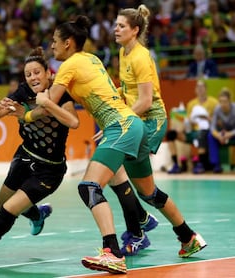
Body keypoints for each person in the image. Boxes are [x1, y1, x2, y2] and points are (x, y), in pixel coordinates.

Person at [35, 14, 206, 274]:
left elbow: (49, 103)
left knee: (90, 187)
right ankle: (188, 237)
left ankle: (112, 252)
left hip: (122, 126)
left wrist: (35, 102)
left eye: (54, 41)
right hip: (132, 125)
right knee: (150, 194)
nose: (51, 46)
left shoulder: (70, 65)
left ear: (68, 43)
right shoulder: (91, 58)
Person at [0, 46, 79, 267]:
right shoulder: (22, 93)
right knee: (2, 204)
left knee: (10, 209)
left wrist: (30, 114)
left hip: (49, 169)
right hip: (25, 157)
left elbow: (73, 121)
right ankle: (36, 216)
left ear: (48, 73)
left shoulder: (62, 95)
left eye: (37, 72)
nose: (33, 77)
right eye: (28, 74)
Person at [101, 4, 169, 256]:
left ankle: (143, 228)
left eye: (121, 26)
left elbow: (145, 101)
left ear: (135, 30)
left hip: (151, 121)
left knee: (129, 180)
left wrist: (120, 119)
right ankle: (142, 223)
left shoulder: (141, 56)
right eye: (115, 24)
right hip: (135, 119)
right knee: (117, 174)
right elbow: (128, 91)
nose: (115, 29)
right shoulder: (123, 52)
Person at [166, 79, 218, 174]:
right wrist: (181, 129)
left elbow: (217, 120)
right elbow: (188, 120)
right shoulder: (191, 104)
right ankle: (176, 164)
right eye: (198, 87)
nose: (200, 89)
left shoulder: (213, 102)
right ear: (195, 89)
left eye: (202, 87)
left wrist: (207, 118)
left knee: (201, 134)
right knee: (171, 134)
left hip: (207, 131)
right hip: (193, 131)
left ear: (206, 89)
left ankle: (200, 164)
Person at [208, 87, 235, 173]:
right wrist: (218, 136)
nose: (223, 104)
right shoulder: (217, 109)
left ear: (229, 101)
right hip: (222, 134)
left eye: (225, 102)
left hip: (233, 134)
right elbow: (212, 127)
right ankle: (216, 164)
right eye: (221, 102)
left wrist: (229, 134)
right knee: (210, 136)